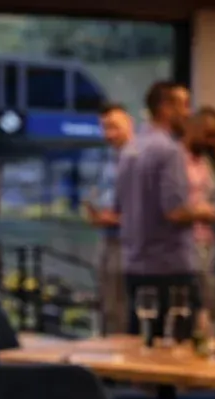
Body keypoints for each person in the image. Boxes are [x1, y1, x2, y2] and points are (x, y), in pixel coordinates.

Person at [116, 81, 215, 333]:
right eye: (183, 105)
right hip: (169, 267)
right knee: (177, 345)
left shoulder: (130, 149)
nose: (188, 113)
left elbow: (118, 206)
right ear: (165, 108)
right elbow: (175, 211)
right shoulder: (170, 151)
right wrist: (207, 212)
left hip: (134, 265)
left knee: (142, 342)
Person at [85, 103, 134, 335]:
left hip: (128, 245)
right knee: (107, 307)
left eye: (114, 127)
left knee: (120, 309)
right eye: (105, 128)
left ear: (129, 124)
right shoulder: (109, 161)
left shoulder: (138, 160)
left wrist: (116, 219)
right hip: (107, 240)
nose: (109, 134)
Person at [182, 111, 215, 317]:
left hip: (208, 242)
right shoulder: (177, 161)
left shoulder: (206, 163)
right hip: (184, 244)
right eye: (208, 135)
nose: (212, 141)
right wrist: (198, 212)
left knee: (210, 305)